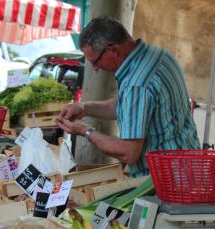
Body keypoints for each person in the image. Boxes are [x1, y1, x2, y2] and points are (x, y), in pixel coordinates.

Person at [57, 16, 200, 178]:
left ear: (113, 51)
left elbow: (129, 153)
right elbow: (131, 106)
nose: (95, 69)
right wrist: (85, 108)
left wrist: (85, 131)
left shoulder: (136, 84)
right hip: (189, 164)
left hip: (167, 180)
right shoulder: (158, 54)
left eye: (95, 61)